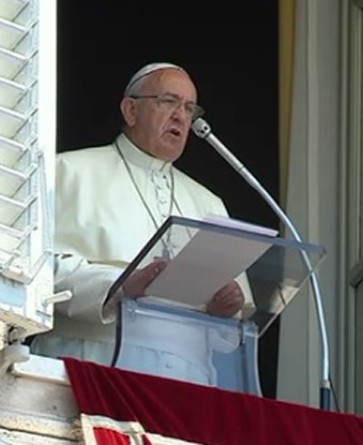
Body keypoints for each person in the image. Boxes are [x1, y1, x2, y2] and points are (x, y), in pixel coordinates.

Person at [31, 62, 255, 384]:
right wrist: (121, 285)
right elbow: (34, 272)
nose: (181, 115)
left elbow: (231, 334)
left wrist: (226, 310)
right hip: (89, 366)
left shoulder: (210, 204)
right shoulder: (66, 172)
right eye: (168, 101)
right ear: (130, 110)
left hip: (189, 382)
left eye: (190, 108)